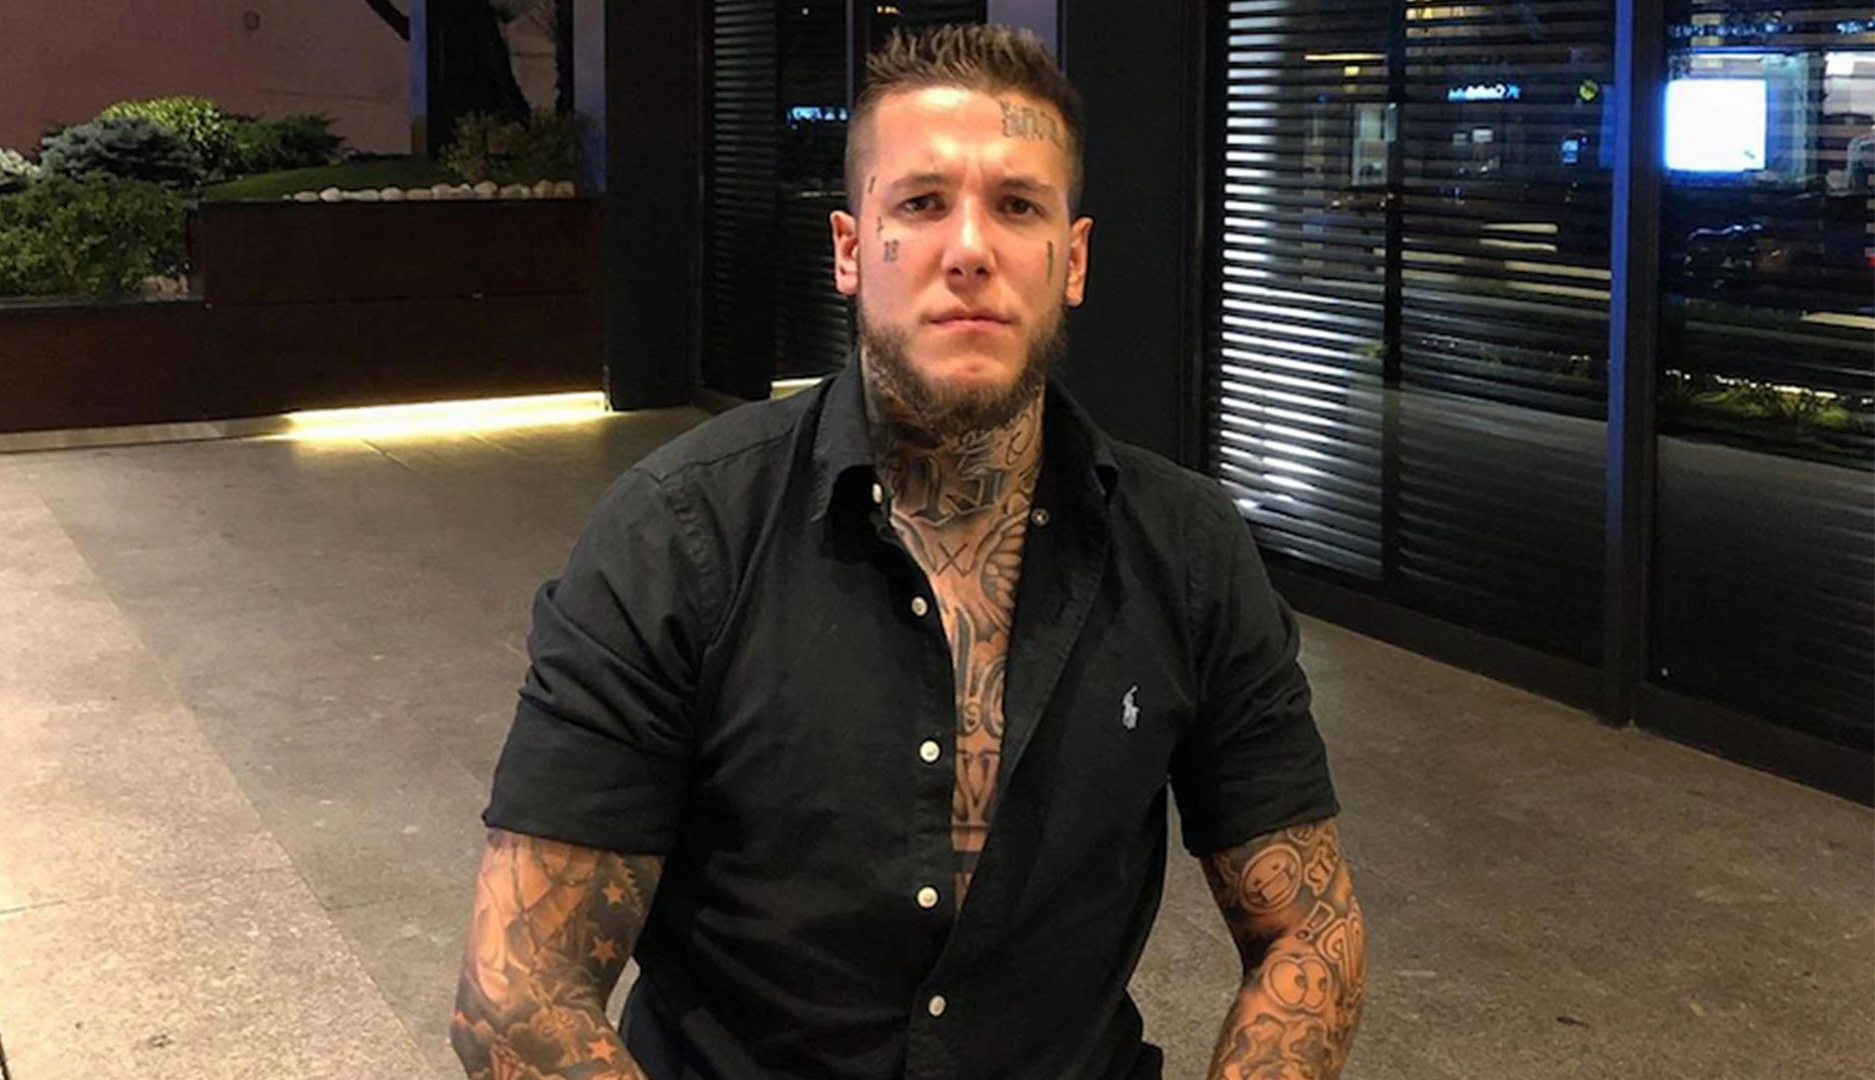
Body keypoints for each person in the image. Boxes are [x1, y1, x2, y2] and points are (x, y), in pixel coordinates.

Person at [450, 23, 1365, 1080]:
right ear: (850, 250)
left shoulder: (1187, 551)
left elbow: (1311, 933)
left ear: (1071, 261)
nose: (969, 248)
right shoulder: (677, 536)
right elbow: (519, 993)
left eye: (1017, 206)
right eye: (922, 203)